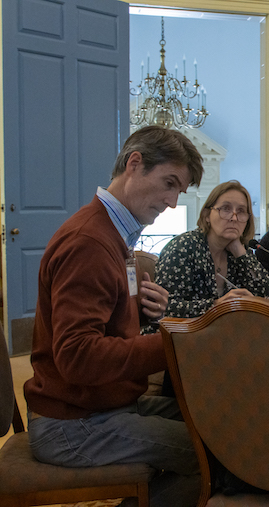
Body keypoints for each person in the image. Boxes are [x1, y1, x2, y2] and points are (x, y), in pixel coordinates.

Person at [23, 125, 205, 507]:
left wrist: (135, 305)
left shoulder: (112, 234)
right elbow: (77, 357)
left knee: (213, 416)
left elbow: (98, 316)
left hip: (99, 405)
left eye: (179, 191)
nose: (172, 202)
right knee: (217, 451)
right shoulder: (90, 241)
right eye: (168, 183)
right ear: (134, 164)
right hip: (71, 425)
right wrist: (177, 341)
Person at [155, 180, 269, 318]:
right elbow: (165, 307)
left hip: (228, 333)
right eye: (225, 209)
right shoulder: (182, 248)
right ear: (207, 216)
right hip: (183, 335)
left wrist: (240, 252)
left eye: (241, 211)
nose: (234, 217)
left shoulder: (240, 252)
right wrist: (217, 306)